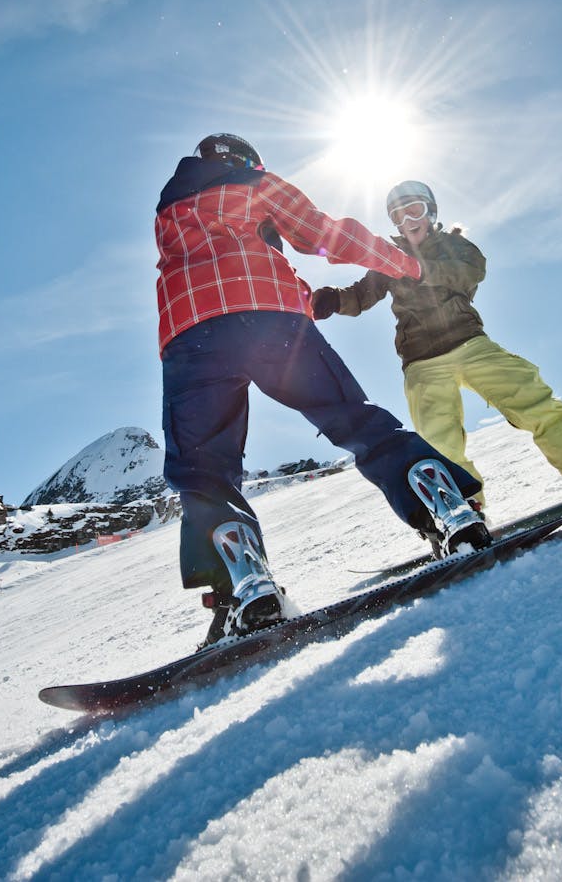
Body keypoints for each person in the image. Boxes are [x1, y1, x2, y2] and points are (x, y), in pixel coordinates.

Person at [156, 135, 490, 648]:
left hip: (189, 333)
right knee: (353, 419)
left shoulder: (170, 207)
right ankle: (446, 510)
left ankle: (244, 590)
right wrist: (404, 263)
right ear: (247, 161)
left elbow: (208, 263)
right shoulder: (257, 183)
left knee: (203, 469)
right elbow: (323, 235)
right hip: (273, 322)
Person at [311, 180, 562, 509]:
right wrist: (331, 300)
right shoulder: (390, 260)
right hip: (421, 359)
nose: (408, 220)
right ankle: (461, 505)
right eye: (398, 216)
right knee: (436, 435)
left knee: (527, 394)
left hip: (469, 342)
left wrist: (417, 269)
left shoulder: (456, 247)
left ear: (430, 212)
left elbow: (468, 273)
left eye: (414, 210)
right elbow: (360, 296)